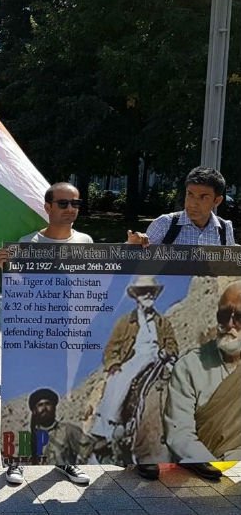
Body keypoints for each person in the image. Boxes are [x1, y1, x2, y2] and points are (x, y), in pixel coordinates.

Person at [128, 166, 235, 481]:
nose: (194, 202)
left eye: (203, 197)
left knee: (196, 389)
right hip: (165, 318)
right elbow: (138, 262)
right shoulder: (167, 224)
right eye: (190, 194)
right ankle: (147, 454)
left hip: (205, 322)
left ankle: (191, 455)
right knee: (155, 384)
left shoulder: (224, 230)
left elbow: (230, 273)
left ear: (217, 200)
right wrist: (137, 248)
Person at [0, 182, 92, 485]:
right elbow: (18, 289)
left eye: (75, 204)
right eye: (63, 204)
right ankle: (18, 459)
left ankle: (65, 460)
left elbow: (100, 284)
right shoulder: (27, 243)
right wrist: (4, 267)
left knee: (67, 397)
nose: (70, 209)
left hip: (71, 336)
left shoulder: (86, 242)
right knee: (25, 394)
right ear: (47, 207)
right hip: (33, 334)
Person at [90, 276, 177, 467]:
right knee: (120, 380)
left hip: (160, 358)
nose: (148, 294)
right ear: (136, 296)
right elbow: (111, 348)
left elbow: (171, 343)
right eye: (143, 291)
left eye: (151, 291)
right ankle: (112, 425)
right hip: (136, 358)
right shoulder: (125, 322)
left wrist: (167, 351)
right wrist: (114, 363)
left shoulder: (163, 322)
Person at [164, 282, 241, 480]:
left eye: (239, 317)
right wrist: (217, 470)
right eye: (224, 316)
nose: (230, 325)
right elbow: (179, 433)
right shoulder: (190, 366)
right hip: (204, 472)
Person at [28, 389, 94, 485]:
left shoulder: (68, 430)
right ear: (34, 411)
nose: (44, 408)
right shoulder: (30, 439)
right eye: (40, 405)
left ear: (54, 408)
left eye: (47, 404)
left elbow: (90, 451)